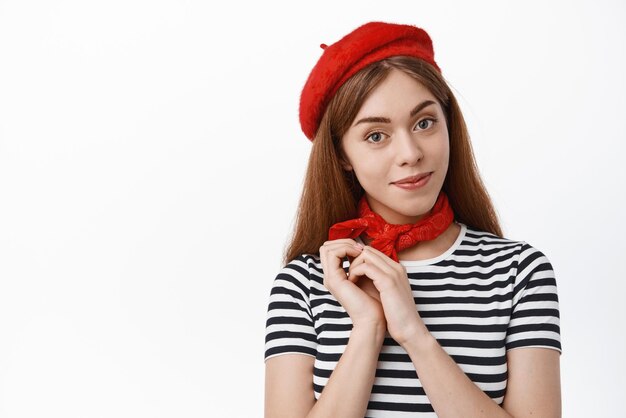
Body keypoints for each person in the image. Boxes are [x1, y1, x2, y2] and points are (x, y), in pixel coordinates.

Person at [264, 21, 561, 418]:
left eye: (424, 123)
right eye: (376, 136)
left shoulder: (519, 273)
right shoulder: (303, 284)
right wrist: (368, 328)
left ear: (448, 123)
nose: (410, 152)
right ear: (341, 156)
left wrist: (414, 335)